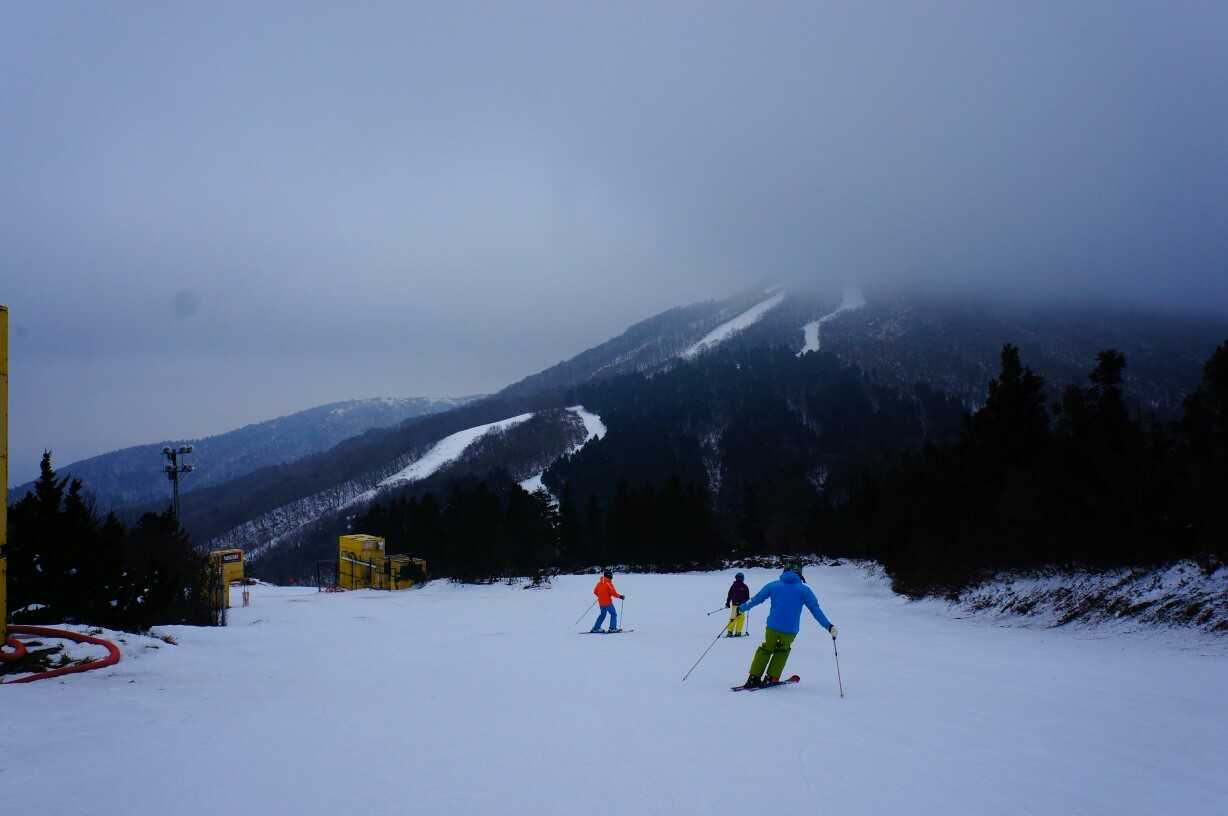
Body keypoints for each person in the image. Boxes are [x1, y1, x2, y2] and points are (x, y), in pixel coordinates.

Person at [737, 562, 837, 687]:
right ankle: (771, 677)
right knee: (782, 651)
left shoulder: (773, 585)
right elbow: (816, 610)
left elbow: (756, 599)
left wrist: (741, 608)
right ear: (799, 573)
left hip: (772, 627)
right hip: (790, 630)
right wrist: (828, 626)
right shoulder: (804, 590)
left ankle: (753, 677)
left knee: (766, 649)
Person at [725, 572, 751, 637]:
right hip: (736, 605)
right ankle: (731, 631)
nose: (739, 579)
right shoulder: (734, 586)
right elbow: (730, 595)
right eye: (738, 578)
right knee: (734, 618)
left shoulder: (744, 587)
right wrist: (727, 603)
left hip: (741, 606)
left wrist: (747, 604)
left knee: (739, 618)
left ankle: (737, 632)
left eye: (740, 578)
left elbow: (747, 597)